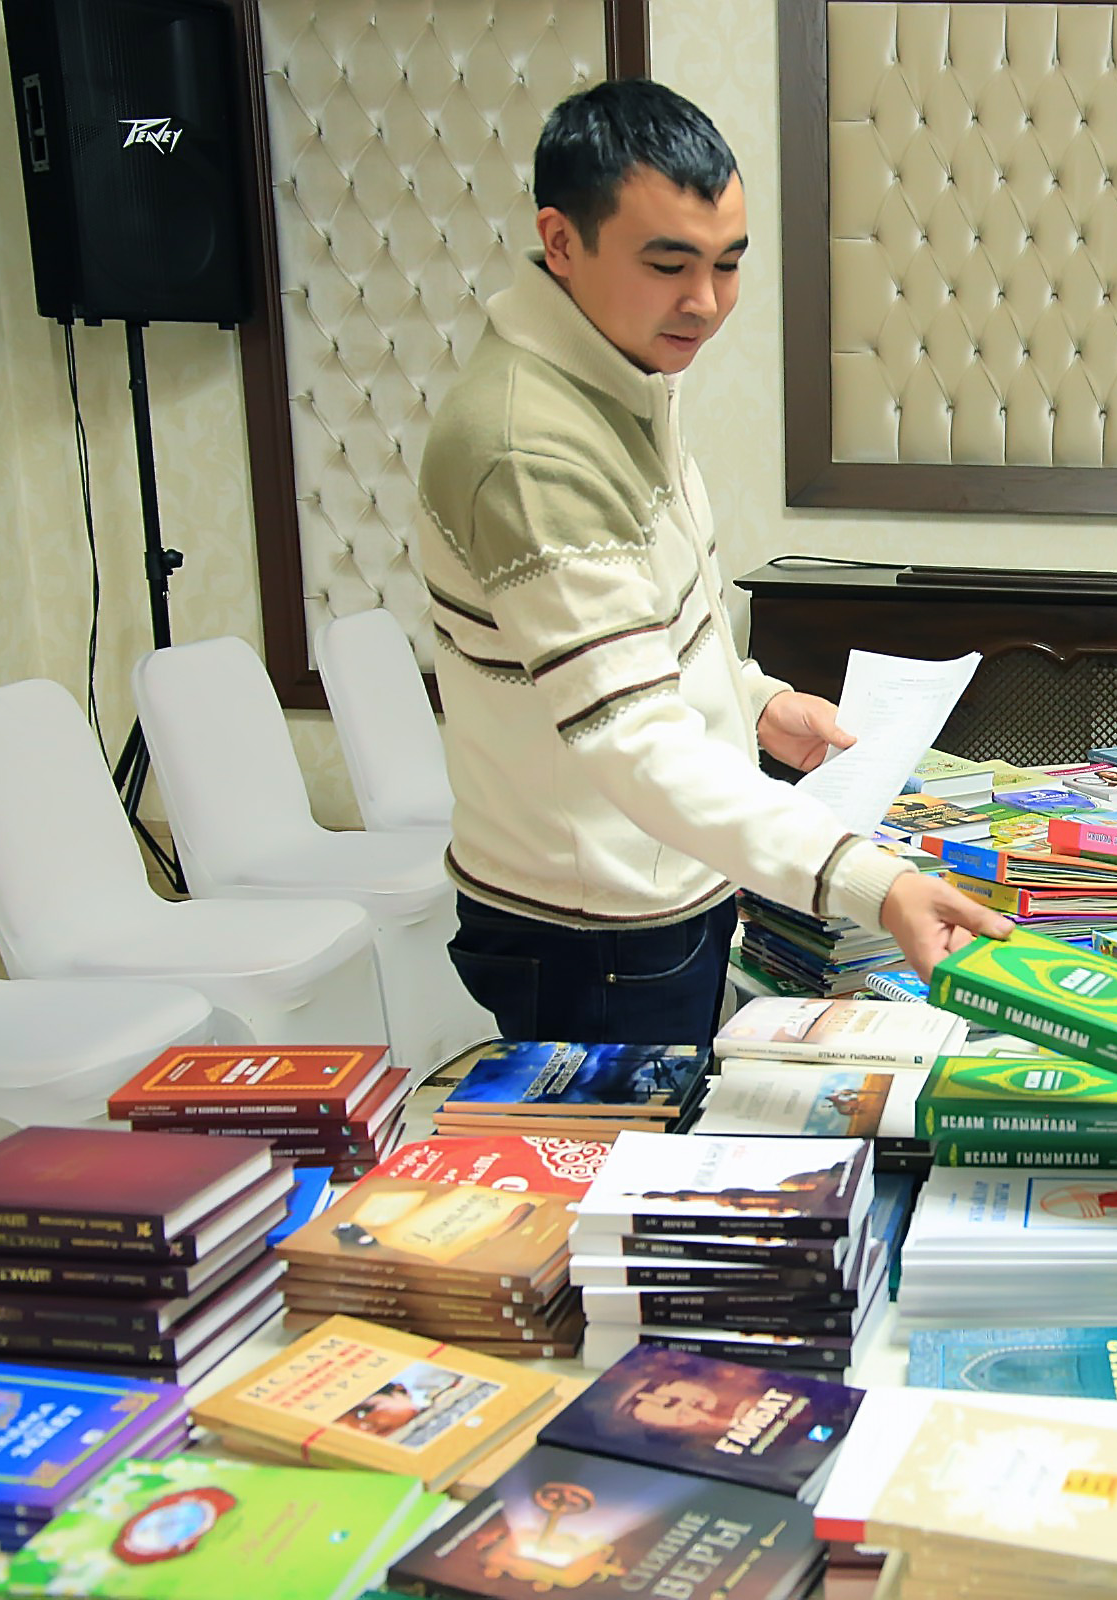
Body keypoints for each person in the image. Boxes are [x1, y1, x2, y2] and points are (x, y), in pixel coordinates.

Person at [416, 80, 1008, 1050]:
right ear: (561, 241)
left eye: (728, 264)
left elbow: (647, 629)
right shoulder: (529, 445)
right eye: (668, 264)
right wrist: (870, 880)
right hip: (593, 921)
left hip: (664, 878)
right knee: (626, 1148)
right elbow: (634, 739)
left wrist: (756, 702)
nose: (705, 302)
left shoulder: (619, 372)